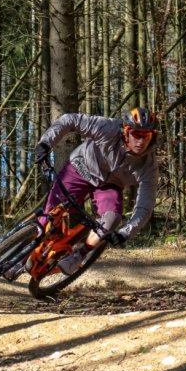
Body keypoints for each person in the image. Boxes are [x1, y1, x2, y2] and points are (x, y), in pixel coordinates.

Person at [28, 107, 159, 275]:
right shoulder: (109, 128)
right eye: (136, 134)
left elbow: (145, 205)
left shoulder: (148, 165)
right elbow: (70, 119)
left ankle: (79, 255)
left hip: (109, 185)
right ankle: (19, 257)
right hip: (80, 169)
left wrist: (125, 233)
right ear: (126, 132)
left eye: (146, 136)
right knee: (50, 215)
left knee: (112, 219)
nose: (141, 141)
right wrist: (46, 143)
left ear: (152, 136)